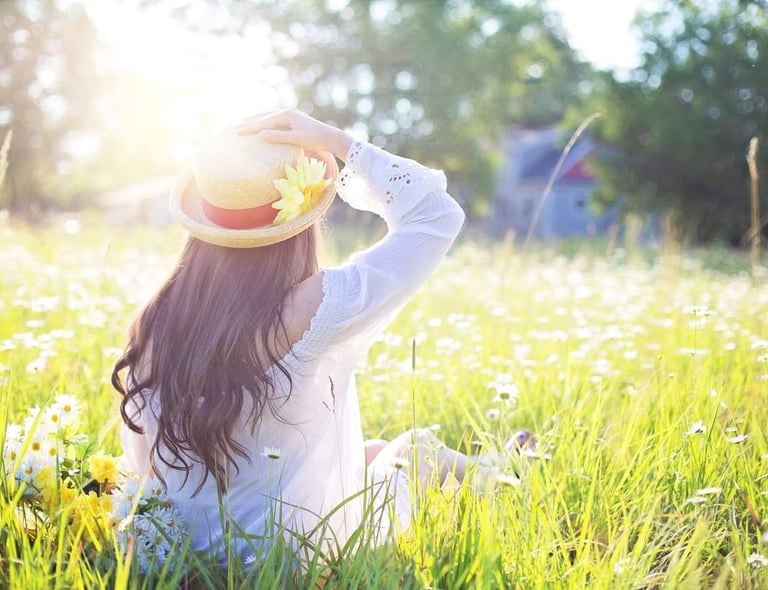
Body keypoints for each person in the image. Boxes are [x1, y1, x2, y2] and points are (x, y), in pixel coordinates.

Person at [112, 109, 508, 566]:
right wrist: (341, 143)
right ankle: (505, 473)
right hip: (295, 556)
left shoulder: (157, 317)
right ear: (298, 224)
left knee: (373, 453)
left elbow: (142, 464)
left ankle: (500, 465)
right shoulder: (313, 306)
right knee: (416, 450)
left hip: (184, 550)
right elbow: (436, 215)